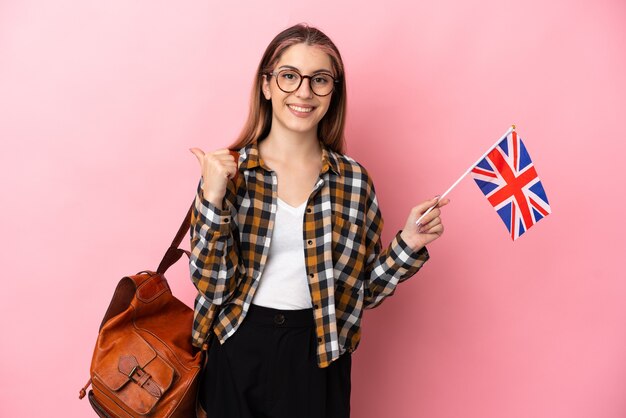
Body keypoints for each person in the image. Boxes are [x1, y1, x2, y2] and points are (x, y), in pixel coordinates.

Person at [188, 23, 449, 418]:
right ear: (267, 85)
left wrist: (408, 243)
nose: (304, 92)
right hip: (237, 346)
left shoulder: (353, 181)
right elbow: (213, 283)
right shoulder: (228, 171)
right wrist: (212, 196)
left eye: (320, 79)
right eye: (289, 76)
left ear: (334, 91)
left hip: (320, 352)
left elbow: (363, 292)